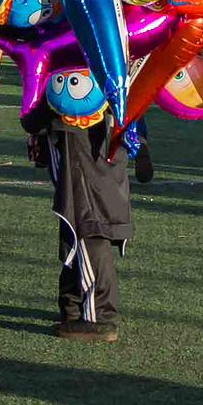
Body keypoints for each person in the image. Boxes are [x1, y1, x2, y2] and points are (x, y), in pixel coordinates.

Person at [29, 86, 131, 339]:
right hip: (96, 142)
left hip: (81, 143)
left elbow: (33, 118)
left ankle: (99, 316)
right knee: (81, 223)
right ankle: (73, 305)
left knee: (87, 224)